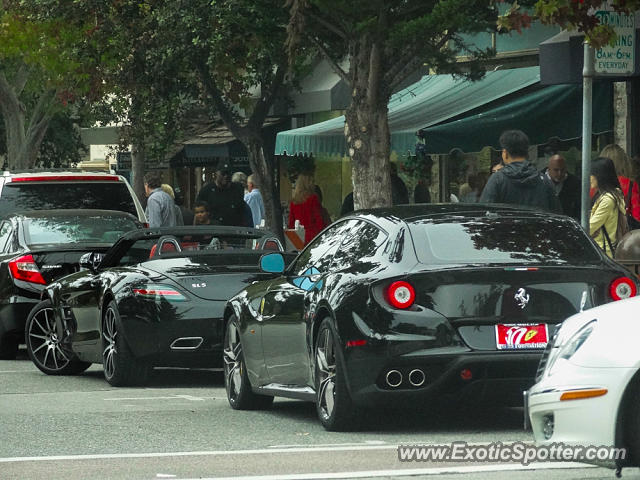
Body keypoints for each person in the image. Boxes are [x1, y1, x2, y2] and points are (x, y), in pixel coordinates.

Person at [480, 130, 561, 213]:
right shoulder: (544, 181)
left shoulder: (497, 179)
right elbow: (557, 215)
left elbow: (484, 213)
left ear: (505, 153)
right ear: (527, 153)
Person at [590, 157, 627, 257]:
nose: (589, 178)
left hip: (602, 252)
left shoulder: (607, 200)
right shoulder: (613, 195)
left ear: (600, 176)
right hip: (603, 250)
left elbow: (590, 227)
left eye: (591, 174)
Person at [600, 144, 640, 226]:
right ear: (624, 161)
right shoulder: (629, 184)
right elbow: (637, 215)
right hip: (622, 233)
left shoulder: (595, 183)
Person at [288, 173, 327, 245]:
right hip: (313, 237)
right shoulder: (313, 198)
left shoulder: (294, 202)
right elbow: (319, 220)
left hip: (298, 238)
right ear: (308, 183)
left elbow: (291, 224)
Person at [542, 154, 581, 220]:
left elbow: (578, 207)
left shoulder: (575, 182)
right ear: (549, 169)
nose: (559, 173)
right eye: (556, 170)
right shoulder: (538, 180)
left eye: (562, 170)